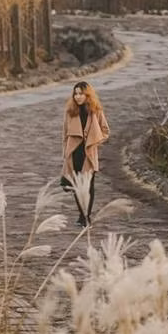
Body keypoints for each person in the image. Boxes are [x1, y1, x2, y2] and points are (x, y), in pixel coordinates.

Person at [61, 81, 110, 227]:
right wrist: (65, 153)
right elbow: (64, 134)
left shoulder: (96, 110)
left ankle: (87, 216)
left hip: (88, 153)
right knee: (77, 185)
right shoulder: (70, 112)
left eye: (81, 93)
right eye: (75, 94)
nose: (77, 96)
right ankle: (82, 216)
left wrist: (94, 140)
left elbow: (105, 131)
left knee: (89, 185)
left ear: (87, 95)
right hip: (74, 153)